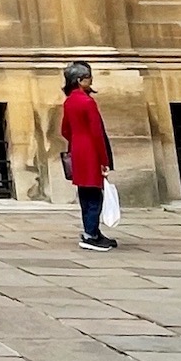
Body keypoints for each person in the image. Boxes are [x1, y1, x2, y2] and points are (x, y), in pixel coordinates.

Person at [61, 60, 116, 252]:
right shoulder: (87, 102)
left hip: (77, 149)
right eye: (88, 77)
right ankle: (90, 234)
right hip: (91, 151)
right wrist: (104, 160)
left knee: (85, 193)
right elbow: (97, 133)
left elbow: (65, 130)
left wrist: (76, 141)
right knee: (94, 195)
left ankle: (92, 230)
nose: (91, 80)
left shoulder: (69, 101)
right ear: (79, 80)